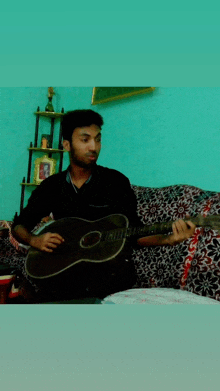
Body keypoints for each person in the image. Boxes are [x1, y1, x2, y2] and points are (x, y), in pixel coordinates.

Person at [12, 109, 195, 299]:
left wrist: (168, 239)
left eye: (98, 139)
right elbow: (19, 225)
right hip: (63, 274)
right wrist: (34, 240)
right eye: (85, 139)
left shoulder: (116, 182)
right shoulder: (51, 186)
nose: (94, 147)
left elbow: (134, 233)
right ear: (67, 144)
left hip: (109, 276)